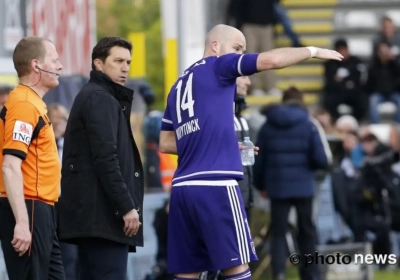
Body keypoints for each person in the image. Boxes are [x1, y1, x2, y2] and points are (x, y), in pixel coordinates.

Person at [159, 24, 342, 280]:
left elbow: (166, 142)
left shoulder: (178, 86)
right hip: (216, 185)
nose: (239, 55)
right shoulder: (218, 66)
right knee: (237, 268)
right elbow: (273, 60)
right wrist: (312, 50)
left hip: (182, 189)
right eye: (237, 48)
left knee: (188, 273)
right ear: (215, 46)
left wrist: (216, 142)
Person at [57, 36, 144, 280]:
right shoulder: (100, 98)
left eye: (128, 62)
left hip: (98, 217)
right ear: (98, 64)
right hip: (103, 218)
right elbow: (106, 158)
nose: (125, 67)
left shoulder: (100, 96)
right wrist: (126, 206)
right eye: (118, 61)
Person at [0, 36, 64, 280]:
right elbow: (11, 166)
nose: (60, 66)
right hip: (30, 207)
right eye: (54, 60)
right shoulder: (25, 105)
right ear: (36, 66)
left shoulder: (32, 103)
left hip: (40, 209)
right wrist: (22, 223)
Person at [253, 87, 332, 280]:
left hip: (277, 187)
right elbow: (322, 159)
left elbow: (259, 160)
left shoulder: (267, 125)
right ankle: (310, 273)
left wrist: (261, 185)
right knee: (306, 232)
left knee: (278, 233)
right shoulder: (309, 124)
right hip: (303, 186)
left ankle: (279, 273)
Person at [234, 76, 254, 221]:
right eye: (243, 76)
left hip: (245, 198)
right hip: (230, 200)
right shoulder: (216, 116)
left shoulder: (241, 119)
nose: (248, 82)